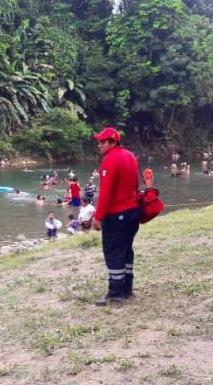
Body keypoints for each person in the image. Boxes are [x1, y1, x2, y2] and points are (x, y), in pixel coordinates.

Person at [92, 127, 141, 306]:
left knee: (113, 252)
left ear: (113, 142)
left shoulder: (109, 160)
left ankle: (115, 294)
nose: (99, 145)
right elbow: (135, 184)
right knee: (126, 250)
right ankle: (127, 289)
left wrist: (98, 217)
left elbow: (105, 192)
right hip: (132, 212)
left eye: (103, 141)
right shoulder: (130, 156)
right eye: (99, 141)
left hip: (116, 215)